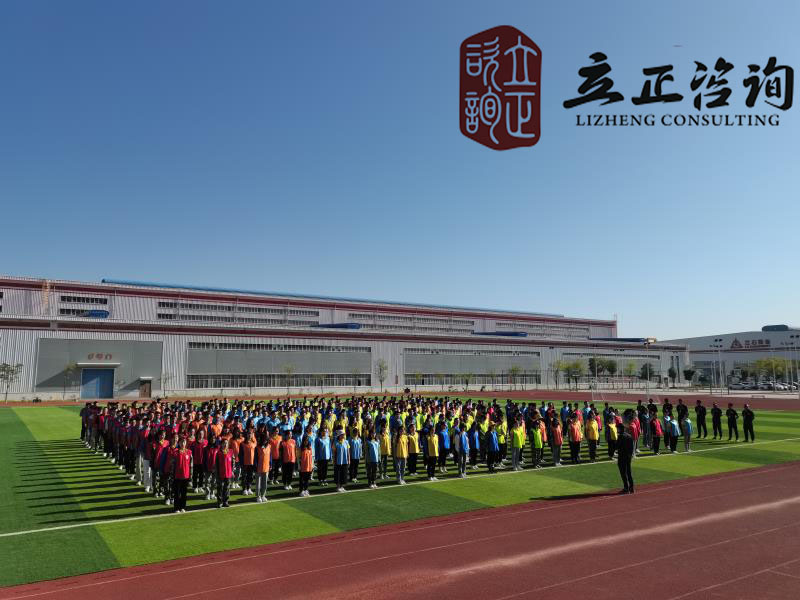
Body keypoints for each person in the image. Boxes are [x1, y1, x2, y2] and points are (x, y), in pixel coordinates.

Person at [171, 437, 192, 513]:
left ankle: (183, 507)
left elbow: (191, 465)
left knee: (184, 493)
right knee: (177, 493)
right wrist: (172, 474)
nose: (183, 443)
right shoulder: (175, 452)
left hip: (186, 476)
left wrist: (190, 475)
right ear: (179, 443)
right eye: (181, 442)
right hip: (177, 476)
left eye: (184, 442)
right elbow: (172, 464)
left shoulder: (189, 452)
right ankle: (176, 508)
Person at [617, 410, 635, 494]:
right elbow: (632, 447)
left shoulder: (620, 437)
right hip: (628, 457)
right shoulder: (629, 436)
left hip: (622, 457)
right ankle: (631, 487)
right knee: (629, 472)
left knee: (623, 473)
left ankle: (626, 487)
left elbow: (617, 447)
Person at [216, 438, 234, 508]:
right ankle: (219, 502)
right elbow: (217, 464)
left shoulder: (230, 452)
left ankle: (225, 501)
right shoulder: (218, 453)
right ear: (221, 444)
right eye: (224, 443)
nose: (225, 444)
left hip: (228, 473)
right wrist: (217, 473)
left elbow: (232, 462)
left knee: (227, 488)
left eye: (226, 443)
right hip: (221, 473)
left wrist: (232, 471)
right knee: (220, 488)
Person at [255, 435, 270, 503]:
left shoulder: (269, 446)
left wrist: (270, 464)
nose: (265, 441)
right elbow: (255, 458)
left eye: (266, 440)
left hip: (266, 467)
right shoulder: (257, 448)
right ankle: (258, 496)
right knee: (258, 484)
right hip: (259, 468)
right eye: (264, 440)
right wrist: (255, 467)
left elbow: (270, 456)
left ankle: (263, 495)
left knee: (265, 483)